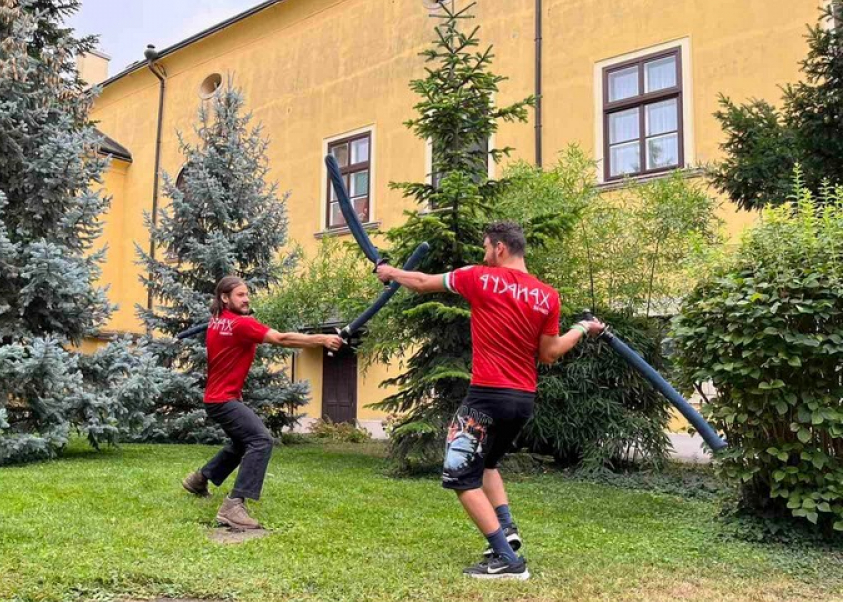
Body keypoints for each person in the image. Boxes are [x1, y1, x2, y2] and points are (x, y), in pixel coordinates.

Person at [376, 221, 604, 580]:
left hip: (486, 396)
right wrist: (582, 328)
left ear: (500, 248)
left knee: (460, 475)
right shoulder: (548, 296)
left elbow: (420, 282)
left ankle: (507, 559)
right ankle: (507, 529)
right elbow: (549, 353)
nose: (484, 254)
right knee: (487, 465)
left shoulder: (479, 277)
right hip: (522, 400)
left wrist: (389, 272)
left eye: (486, 247)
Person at [182, 276, 343, 530]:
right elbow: (282, 339)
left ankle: (199, 480)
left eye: (247, 294)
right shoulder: (241, 324)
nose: (246, 299)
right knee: (261, 441)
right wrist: (321, 339)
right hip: (223, 399)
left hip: (217, 398)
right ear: (224, 298)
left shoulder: (218, 320)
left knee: (241, 443)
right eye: (240, 295)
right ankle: (233, 506)